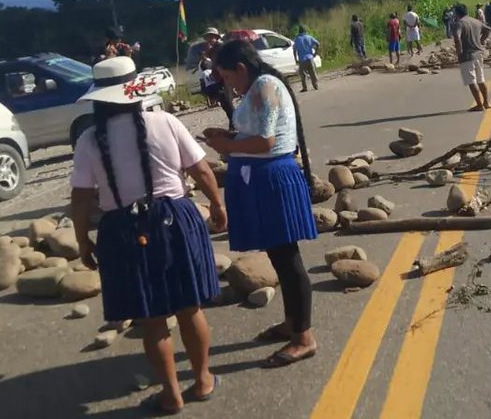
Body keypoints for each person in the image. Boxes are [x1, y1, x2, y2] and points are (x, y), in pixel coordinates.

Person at [69, 56, 225, 415]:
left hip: (122, 229)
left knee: (153, 320)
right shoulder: (165, 122)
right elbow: (200, 169)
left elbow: (80, 198)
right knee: (190, 308)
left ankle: (171, 395)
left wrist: (82, 240)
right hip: (175, 219)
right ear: (135, 91)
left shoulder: (90, 139)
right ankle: (203, 379)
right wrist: (217, 204)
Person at [203, 40, 319, 369]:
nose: (226, 83)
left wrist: (226, 143)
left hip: (272, 179)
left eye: (226, 76)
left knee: (287, 257)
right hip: (261, 178)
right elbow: (255, 133)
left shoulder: (265, 86)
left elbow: (266, 141)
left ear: (241, 68)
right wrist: (226, 135)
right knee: (279, 257)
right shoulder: (257, 87)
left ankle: (304, 338)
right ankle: (293, 322)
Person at [452, 3, 491, 112]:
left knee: (471, 81)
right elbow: (488, 29)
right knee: (481, 79)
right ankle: (486, 102)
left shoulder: (459, 23)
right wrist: (482, 40)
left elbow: (457, 36)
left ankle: (479, 104)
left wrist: (459, 51)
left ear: (457, 13)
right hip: (478, 54)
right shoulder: (475, 21)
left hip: (467, 55)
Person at [293, 25, 320, 92]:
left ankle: (305, 87)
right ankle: (315, 85)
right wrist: (315, 53)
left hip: (302, 59)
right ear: (305, 31)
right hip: (310, 58)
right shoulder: (309, 37)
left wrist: (296, 59)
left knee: (302, 74)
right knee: (312, 73)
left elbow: (294, 50)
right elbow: (318, 44)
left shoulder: (297, 39)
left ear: (299, 31)